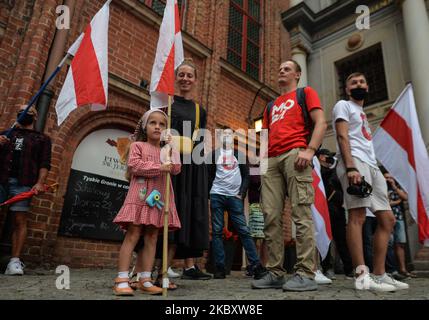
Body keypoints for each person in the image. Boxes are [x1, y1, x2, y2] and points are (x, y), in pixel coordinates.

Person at [251, 60, 327, 292]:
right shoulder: (271, 105)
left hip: (297, 154)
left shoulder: (306, 92)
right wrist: (261, 165)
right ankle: (275, 272)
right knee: (270, 216)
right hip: (271, 161)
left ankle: (306, 273)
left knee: (301, 213)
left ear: (297, 74)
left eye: (287, 68)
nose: (281, 71)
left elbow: (321, 122)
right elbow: (263, 136)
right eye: (279, 68)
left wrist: (310, 150)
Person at [332, 72, 409, 291]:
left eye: (362, 82)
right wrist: (350, 167)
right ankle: (361, 275)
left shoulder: (362, 112)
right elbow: (342, 136)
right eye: (353, 82)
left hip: (372, 165)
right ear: (347, 89)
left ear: (367, 87)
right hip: (355, 161)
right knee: (357, 216)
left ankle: (380, 274)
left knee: (388, 221)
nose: (358, 85)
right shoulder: (343, 106)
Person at [112, 109, 181, 296]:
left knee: (152, 236)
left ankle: (145, 279)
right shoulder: (138, 146)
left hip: (159, 197)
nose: (158, 126)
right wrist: (159, 167)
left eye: (162, 124)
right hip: (140, 196)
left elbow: (175, 169)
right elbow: (134, 166)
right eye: (153, 123)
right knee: (133, 234)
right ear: (145, 126)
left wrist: (171, 149)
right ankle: (122, 278)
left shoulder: (166, 150)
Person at [155, 58, 212, 281]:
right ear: (176, 78)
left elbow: (200, 139)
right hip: (171, 163)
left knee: (188, 210)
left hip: (192, 166)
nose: (185, 78)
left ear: (195, 80)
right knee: (168, 208)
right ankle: (161, 265)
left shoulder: (200, 111)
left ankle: (188, 266)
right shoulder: (166, 105)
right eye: (182, 75)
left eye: (190, 75)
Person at [207, 128, 267, 279]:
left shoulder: (240, 155)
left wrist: (241, 193)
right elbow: (208, 175)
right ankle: (220, 268)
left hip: (235, 197)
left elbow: (246, 176)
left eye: (229, 134)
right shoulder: (213, 155)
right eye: (224, 134)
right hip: (217, 195)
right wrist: (211, 192)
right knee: (217, 231)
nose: (226, 137)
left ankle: (255, 265)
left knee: (244, 231)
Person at [0, 106, 52, 275]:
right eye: (21, 110)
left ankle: (14, 261)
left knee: (19, 220)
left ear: (35, 116)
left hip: (23, 183)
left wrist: (40, 183)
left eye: (29, 111)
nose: (25, 112)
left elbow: (44, 164)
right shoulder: (6, 134)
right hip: (1, 180)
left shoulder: (42, 139)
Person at [317, 149, 353, 278]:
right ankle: (327, 267)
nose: (330, 159)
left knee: (342, 240)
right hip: (324, 211)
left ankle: (349, 268)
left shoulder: (336, 170)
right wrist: (331, 168)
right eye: (328, 157)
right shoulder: (318, 169)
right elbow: (324, 178)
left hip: (338, 210)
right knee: (325, 239)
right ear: (321, 157)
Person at [384, 172, 414, 278]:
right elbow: (385, 202)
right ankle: (390, 269)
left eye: (390, 178)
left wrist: (394, 186)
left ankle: (402, 269)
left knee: (400, 244)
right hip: (386, 219)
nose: (388, 179)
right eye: (386, 178)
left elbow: (405, 198)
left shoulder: (396, 187)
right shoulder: (382, 187)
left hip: (399, 218)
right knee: (389, 244)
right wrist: (396, 201)